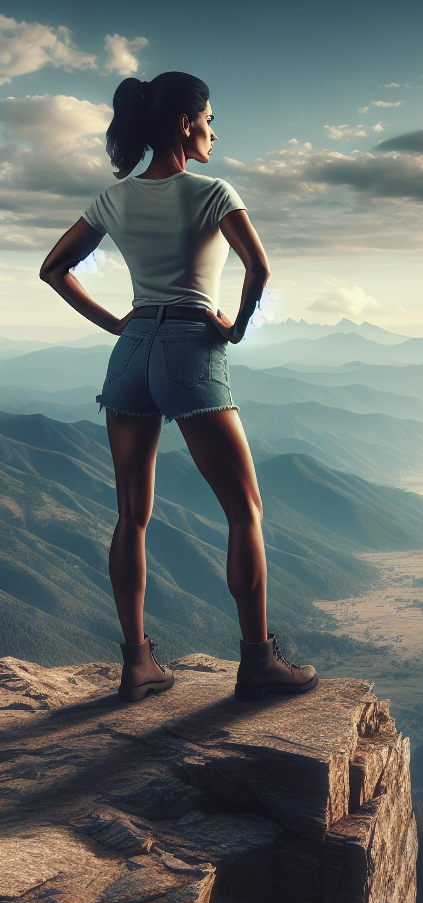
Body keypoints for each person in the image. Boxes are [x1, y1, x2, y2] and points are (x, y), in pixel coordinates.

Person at [38, 72, 318, 704]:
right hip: (192, 348)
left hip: (131, 355)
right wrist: (236, 328)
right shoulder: (213, 192)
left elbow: (52, 268)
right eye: (209, 119)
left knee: (132, 515)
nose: (213, 131)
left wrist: (117, 322)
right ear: (184, 123)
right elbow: (259, 267)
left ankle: (136, 664)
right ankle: (257, 659)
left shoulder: (114, 199)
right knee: (244, 508)